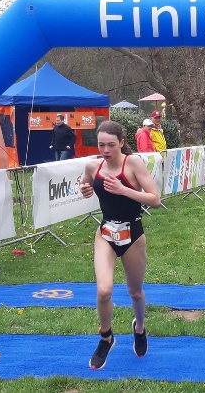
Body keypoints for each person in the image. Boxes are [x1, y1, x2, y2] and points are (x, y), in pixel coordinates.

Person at [80, 120, 161, 370]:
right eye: (101, 144)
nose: (105, 150)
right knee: (104, 290)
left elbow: (155, 199)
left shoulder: (133, 163)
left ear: (122, 144)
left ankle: (139, 327)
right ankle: (106, 337)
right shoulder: (93, 166)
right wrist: (83, 189)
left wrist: (124, 190)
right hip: (105, 233)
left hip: (132, 234)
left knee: (135, 292)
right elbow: (84, 182)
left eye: (111, 145)